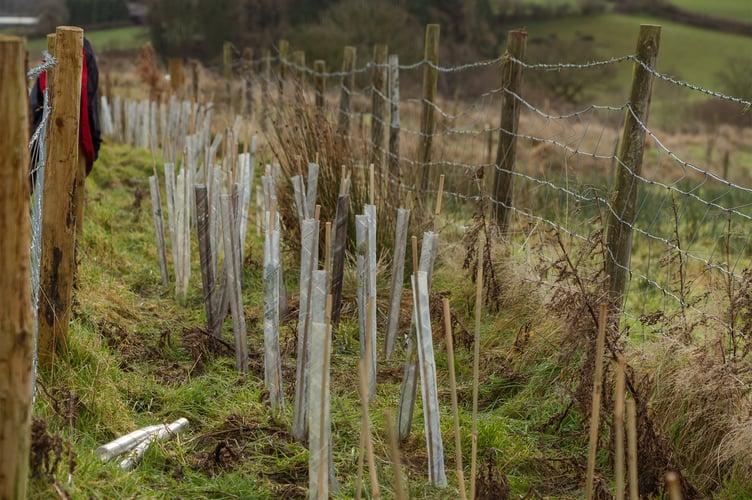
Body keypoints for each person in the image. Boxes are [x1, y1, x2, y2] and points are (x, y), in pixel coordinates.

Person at [30, 37, 102, 176]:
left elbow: (34, 102)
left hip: (63, 141)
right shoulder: (85, 53)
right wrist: (94, 142)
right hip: (66, 140)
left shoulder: (77, 53)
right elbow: (90, 104)